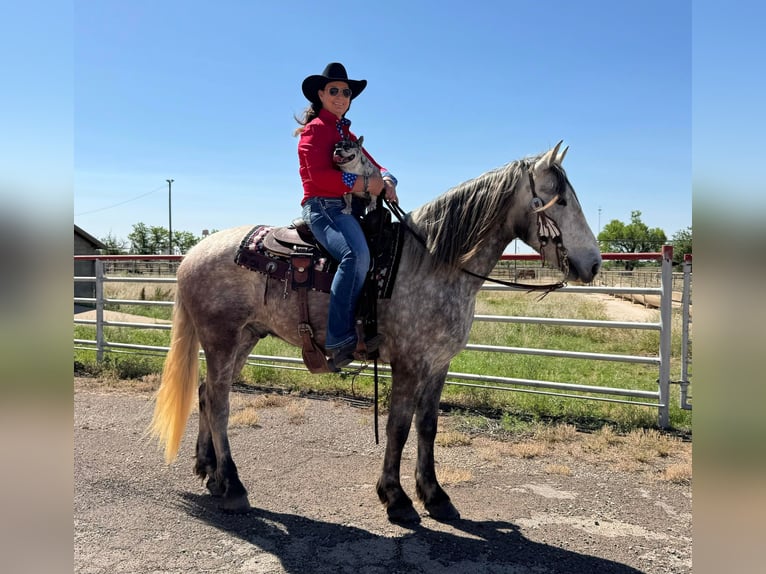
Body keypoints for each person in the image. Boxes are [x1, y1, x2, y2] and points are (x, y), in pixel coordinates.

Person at [295, 62, 399, 369]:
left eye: (346, 92)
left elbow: (375, 164)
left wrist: (389, 180)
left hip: (349, 207)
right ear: (321, 94)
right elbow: (318, 178)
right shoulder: (314, 131)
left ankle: (368, 325)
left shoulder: (345, 133)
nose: (341, 96)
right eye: (334, 91)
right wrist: (367, 184)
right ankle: (339, 339)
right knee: (356, 255)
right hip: (325, 207)